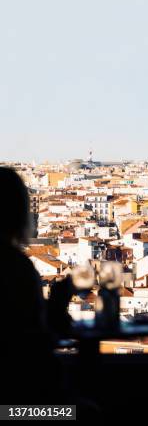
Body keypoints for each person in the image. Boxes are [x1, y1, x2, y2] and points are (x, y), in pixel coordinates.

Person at [0, 167, 61, 403]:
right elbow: (35, 339)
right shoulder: (15, 267)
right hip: (19, 401)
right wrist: (56, 306)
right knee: (85, 413)